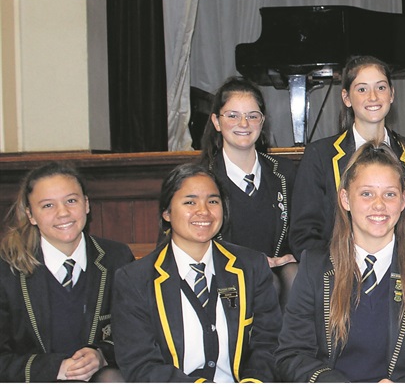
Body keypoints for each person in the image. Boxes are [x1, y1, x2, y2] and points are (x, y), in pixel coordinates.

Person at [276, 143, 405, 382]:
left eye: (390, 194)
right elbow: (292, 355)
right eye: (366, 193)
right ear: (345, 199)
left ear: (403, 201)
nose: (379, 204)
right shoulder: (315, 266)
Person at [112, 164, 281, 382]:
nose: (204, 211)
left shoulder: (250, 266)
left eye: (213, 201)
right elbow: (141, 365)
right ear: (167, 213)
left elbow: (269, 343)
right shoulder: (135, 280)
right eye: (190, 202)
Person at [0, 162, 134, 382]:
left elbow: (135, 333)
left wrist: (101, 355)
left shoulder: (116, 258)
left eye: (71, 201)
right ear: (31, 215)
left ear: (86, 205)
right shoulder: (7, 268)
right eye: (48, 206)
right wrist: (56, 368)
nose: (63, 213)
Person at [291, 55, 405, 260]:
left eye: (381, 87)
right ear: (346, 98)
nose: (373, 97)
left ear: (392, 94)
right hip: (336, 267)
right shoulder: (319, 155)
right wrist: (342, 265)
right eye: (362, 89)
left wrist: (400, 264)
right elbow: (304, 235)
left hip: (399, 267)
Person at [199, 76, 298, 305]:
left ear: (262, 122)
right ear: (216, 121)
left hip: (279, 275)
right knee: (263, 282)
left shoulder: (284, 173)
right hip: (222, 275)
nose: (243, 124)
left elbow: (301, 227)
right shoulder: (201, 178)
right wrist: (253, 262)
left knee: (297, 277)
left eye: (252, 116)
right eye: (233, 116)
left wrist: (296, 254)